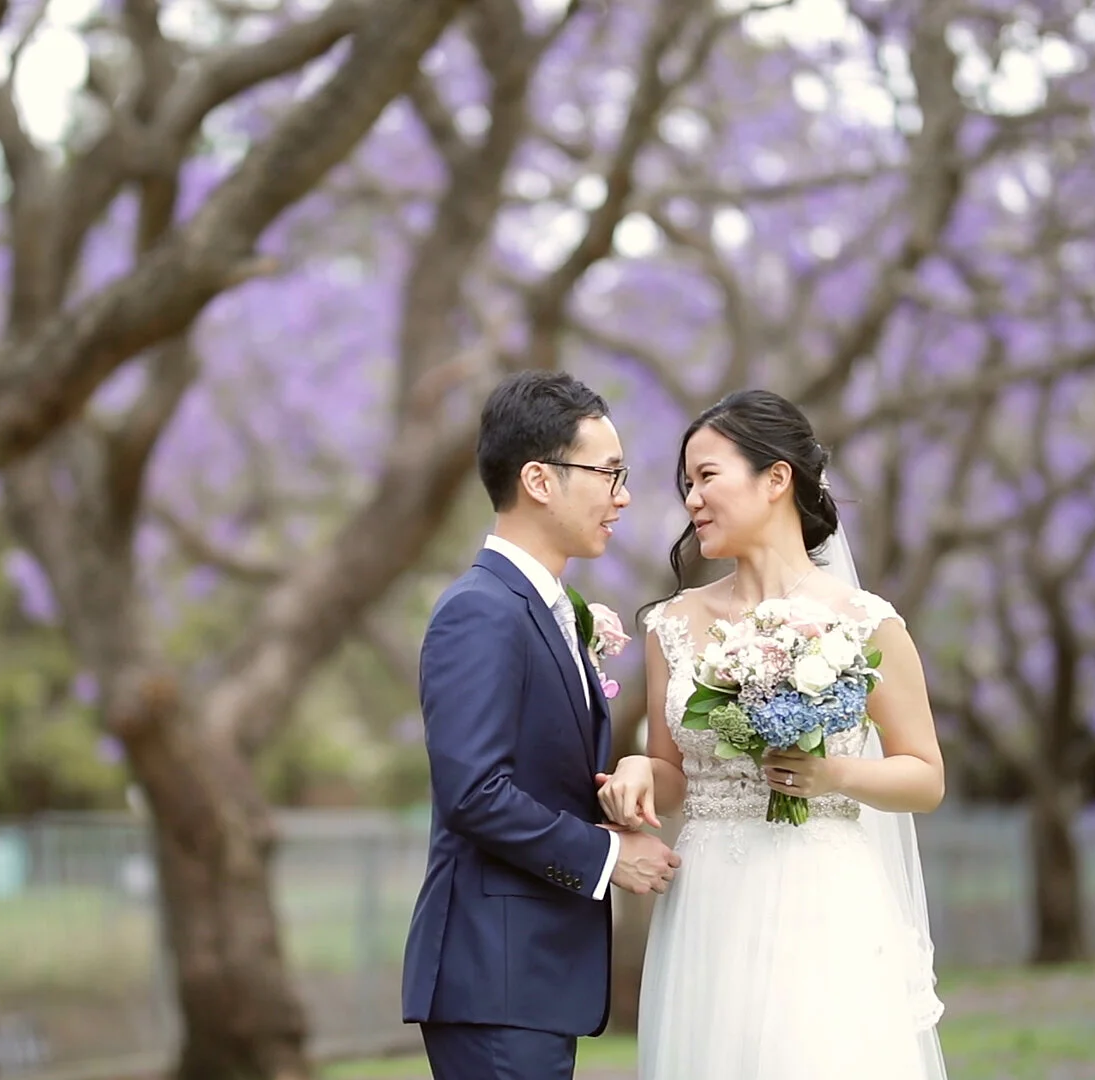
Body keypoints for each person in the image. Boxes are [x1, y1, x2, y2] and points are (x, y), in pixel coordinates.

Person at [596, 389, 950, 1079]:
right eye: (685, 485)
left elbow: (926, 776)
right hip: (708, 908)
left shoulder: (865, 622)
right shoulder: (672, 623)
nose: (691, 500)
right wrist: (639, 766)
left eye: (707, 477)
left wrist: (833, 775)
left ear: (777, 478)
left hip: (822, 899)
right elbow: (675, 777)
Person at [401, 371, 682, 1080]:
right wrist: (609, 857)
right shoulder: (482, 610)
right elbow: (474, 794)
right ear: (539, 479)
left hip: (528, 979)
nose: (622, 497)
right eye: (608, 474)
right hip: (495, 977)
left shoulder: (544, 609)